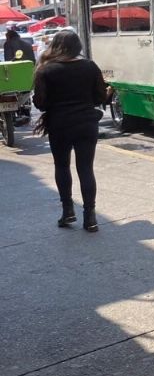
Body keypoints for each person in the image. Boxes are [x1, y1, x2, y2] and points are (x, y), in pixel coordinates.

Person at [32, 30, 109, 232]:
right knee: (85, 168)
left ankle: (68, 211)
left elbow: (40, 104)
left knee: (62, 166)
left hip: (59, 124)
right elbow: (100, 97)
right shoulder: (89, 66)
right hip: (86, 123)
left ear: (55, 46)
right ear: (78, 47)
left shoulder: (45, 70)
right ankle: (90, 217)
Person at [4, 29, 36, 125]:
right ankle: (25, 112)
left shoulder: (8, 44)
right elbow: (33, 60)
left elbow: (8, 60)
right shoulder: (27, 44)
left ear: (9, 36)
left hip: (14, 76)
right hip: (28, 75)